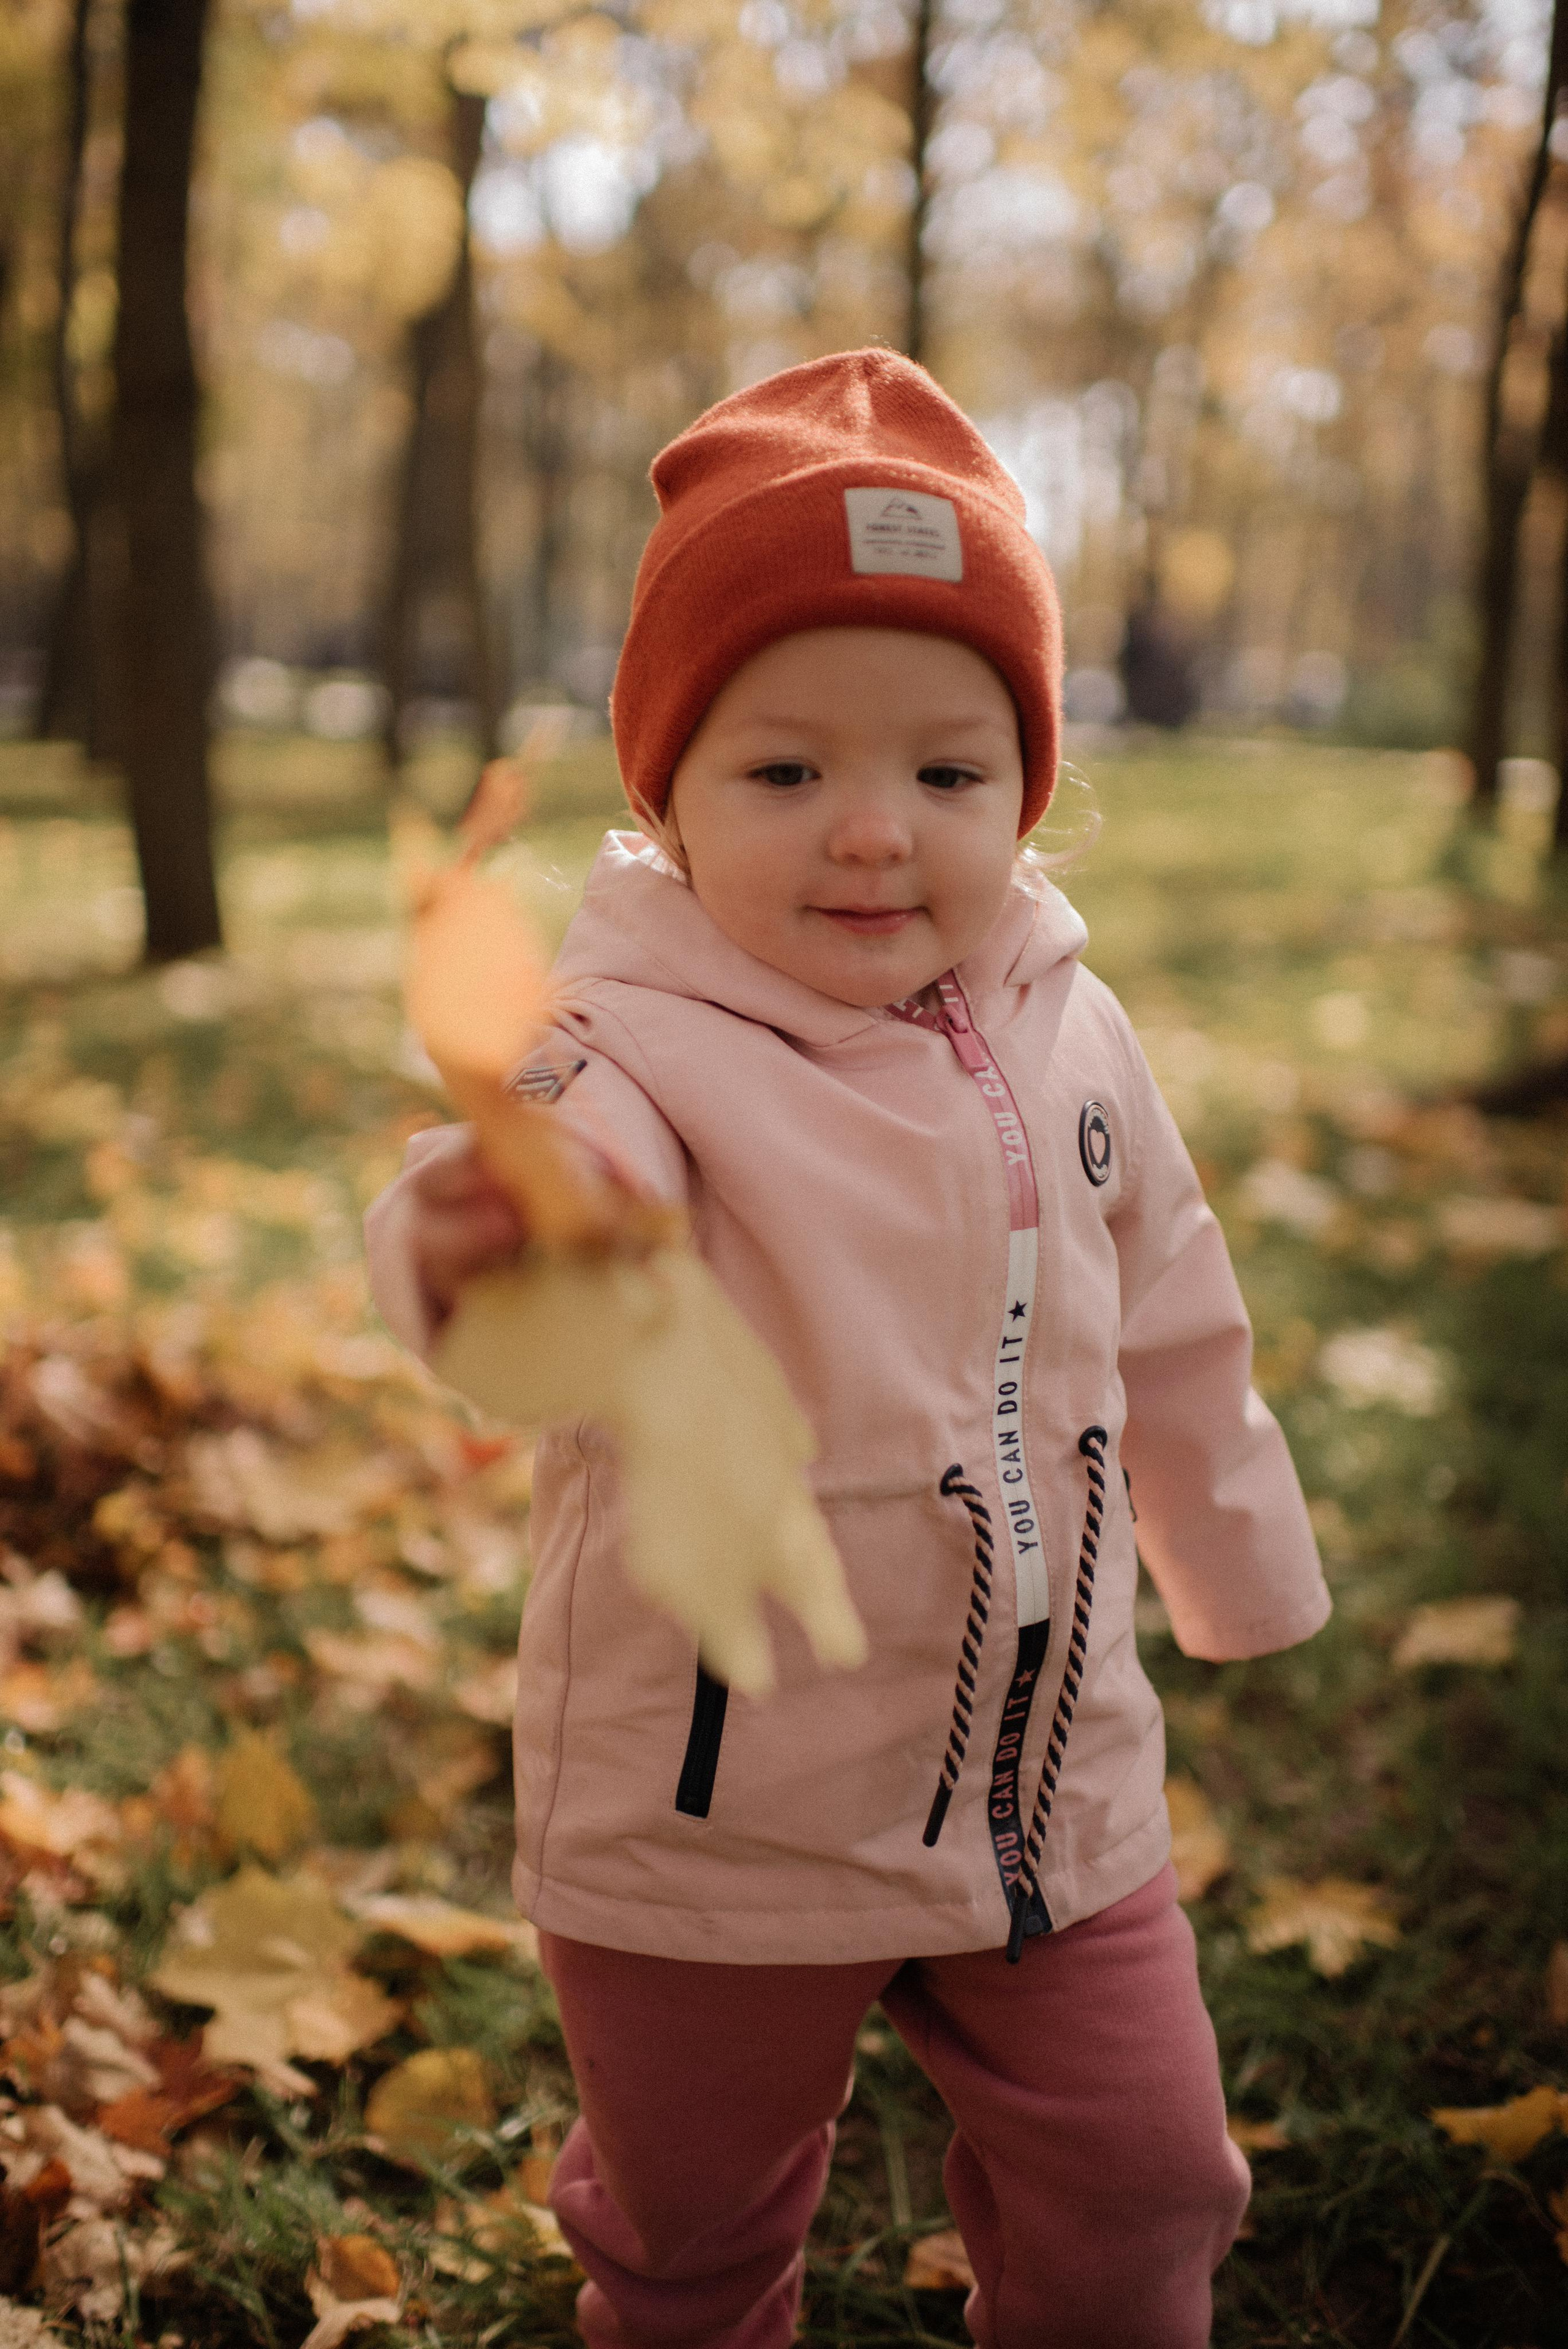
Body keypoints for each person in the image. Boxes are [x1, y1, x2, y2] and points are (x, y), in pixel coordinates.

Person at [364, 349, 1330, 2349]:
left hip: (1050, 1799)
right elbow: (545, 1196)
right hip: (716, 1815)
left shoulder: (1075, 1023)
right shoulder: (630, 1046)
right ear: (670, 794)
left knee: (1150, 2182)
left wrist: (1236, 1560)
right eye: (787, 770)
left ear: (1026, 787)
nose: (875, 834)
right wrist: (479, 1228)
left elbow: (1176, 1306)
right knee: (693, 2234)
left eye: (949, 772)